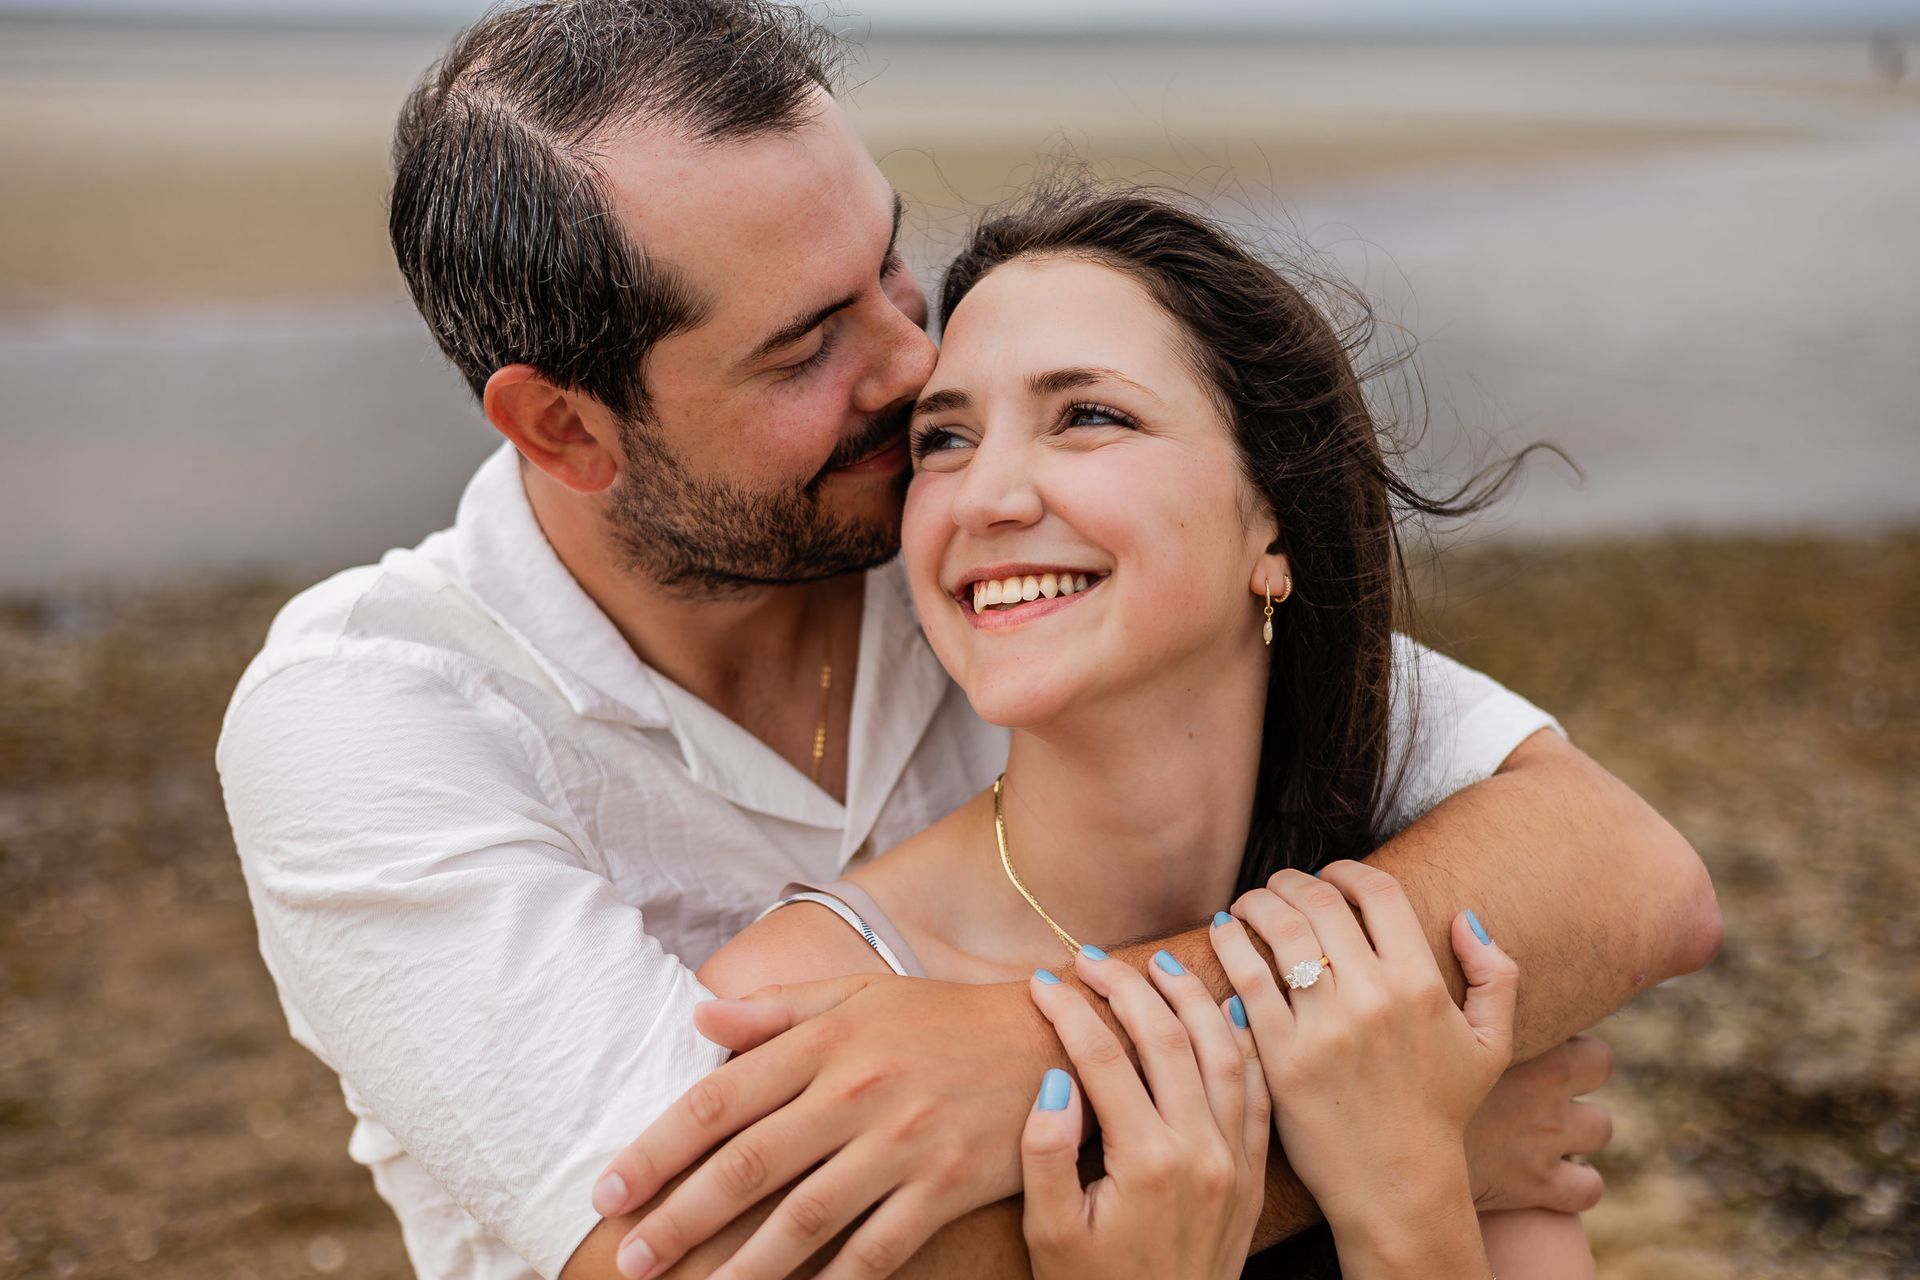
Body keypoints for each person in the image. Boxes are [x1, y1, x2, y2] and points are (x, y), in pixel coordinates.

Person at [215, 3, 1720, 1278]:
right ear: (565, 428)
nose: (913, 359)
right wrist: (1380, 1139)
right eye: (809, 345)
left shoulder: (962, 543)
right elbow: (700, 1257)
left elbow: (1616, 868)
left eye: (887, 262)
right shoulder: (377, 714)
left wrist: (1033, 1053)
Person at [685, 184, 1602, 1278]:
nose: (986, 495)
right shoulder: (799, 1005)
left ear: (1276, 524)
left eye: (1087, 415)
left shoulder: (1406, 953)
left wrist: (1408, 1198)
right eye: (944, 437)